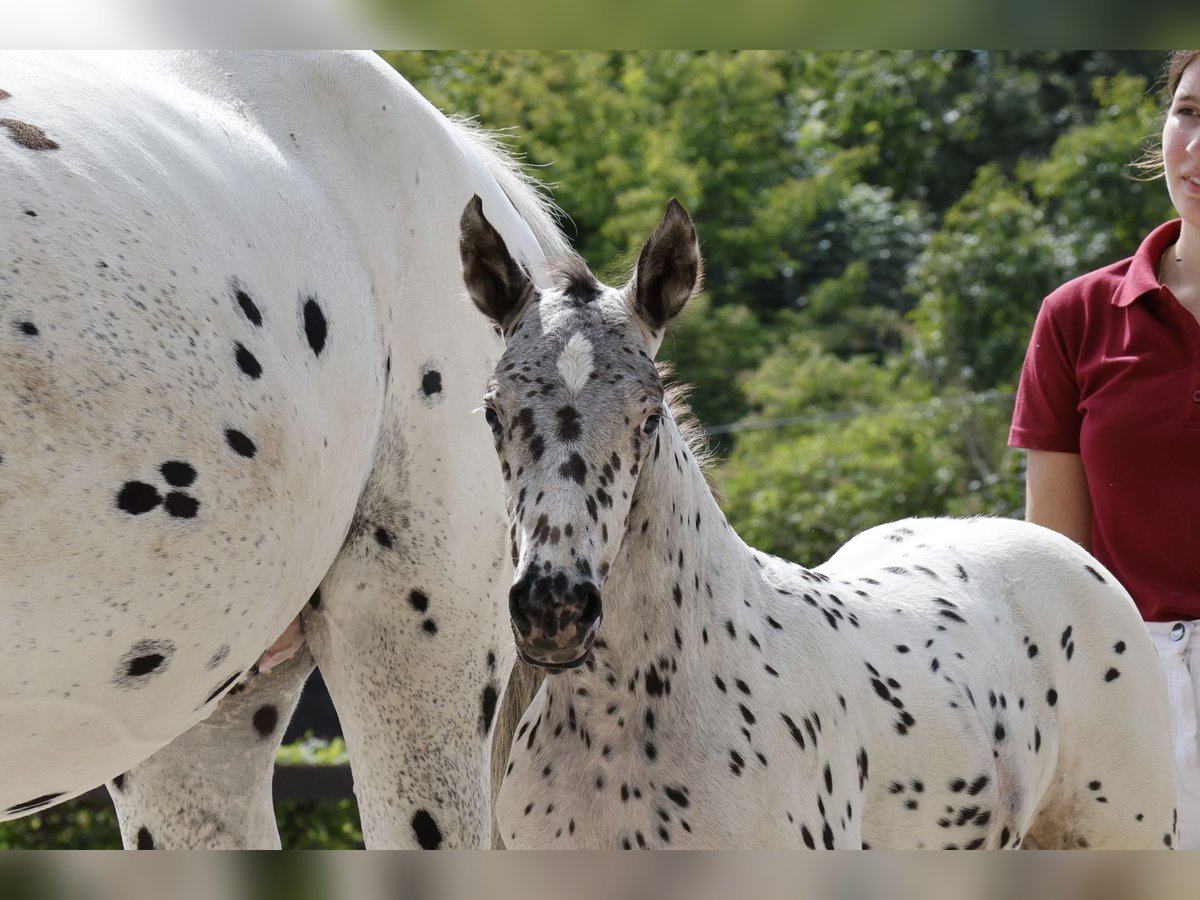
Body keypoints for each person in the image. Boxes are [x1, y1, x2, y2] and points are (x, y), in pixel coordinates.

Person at [1009, 49, 1200, 848]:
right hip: (1129, 692)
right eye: (1189, 113)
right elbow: (1057, 563)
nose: (1197, 147)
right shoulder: (1076, 316)